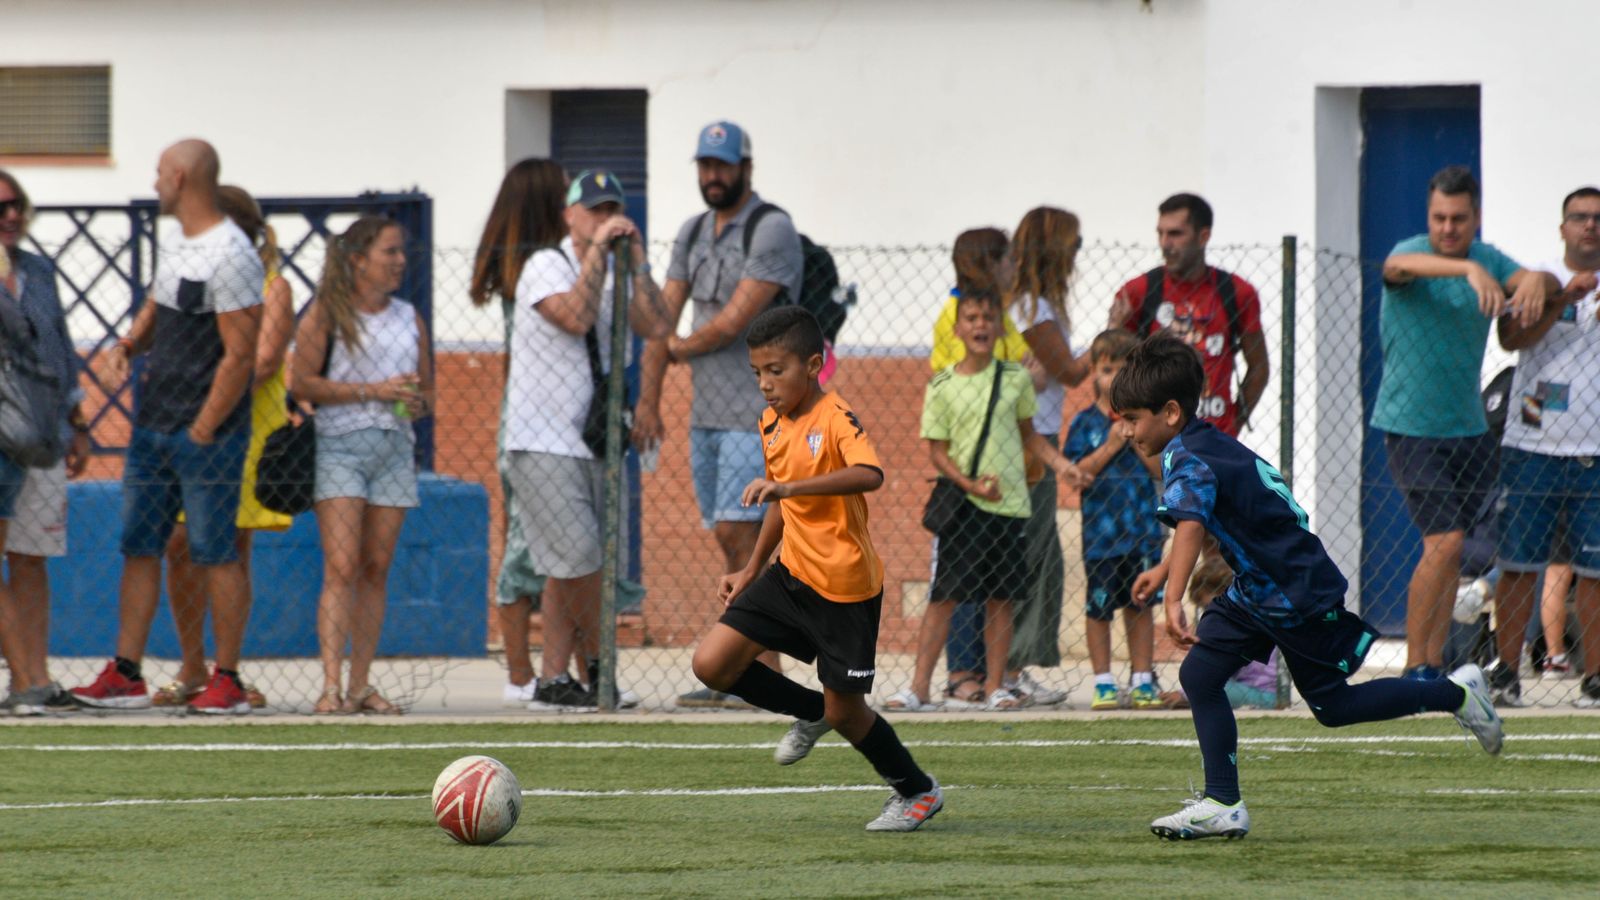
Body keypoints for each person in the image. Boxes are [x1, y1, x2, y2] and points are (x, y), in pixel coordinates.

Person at [1115, 335, 1501, 841]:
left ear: (1168, 412)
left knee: (1333, 707)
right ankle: (1222, 803)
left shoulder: (1186, 457)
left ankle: (1455, 693)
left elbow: (1190, 525)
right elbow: (1202, 518)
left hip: (1290, 589)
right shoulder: (1204, 441)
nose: (1124, 431)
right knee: (1202, 675)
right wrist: (1166, 571)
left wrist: (1172, 597)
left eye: (1131, 418)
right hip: (1263, 586)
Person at [690, 306, 944, 832]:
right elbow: (781, 505)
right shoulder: (771, 423)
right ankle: (811, 711)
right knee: (712, 664)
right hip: (789, 576)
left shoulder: (835, 417)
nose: (765, 384)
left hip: (845, 588)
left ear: (813, 364)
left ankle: (916, 792)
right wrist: (751, 568)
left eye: (775, 370)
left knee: (850, 714)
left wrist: (788, 487)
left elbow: (869, 473)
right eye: (757, 372)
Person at [72, 139, 263, 714]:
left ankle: (225, 679)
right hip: (154, 426)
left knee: (215, 551)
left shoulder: (232, 253)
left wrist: (204, 426)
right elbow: (161, 305)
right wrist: (129, 345)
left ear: (180, 177)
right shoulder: (178, 241)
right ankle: (126, 672)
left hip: (205, 434)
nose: (154, 182)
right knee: (140, 547)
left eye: (159, 173)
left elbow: (240, 353)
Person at [635, 121, 803, 709]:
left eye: (723, 165)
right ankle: (749, 674)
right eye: (705, 165)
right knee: (730, 539)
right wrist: (648, 398)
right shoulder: (691, 231)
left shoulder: (771, 229)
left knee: (743, 536)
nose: (713, 176)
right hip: (706, 414)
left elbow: (736, 322)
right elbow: (662, 313)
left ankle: (755, 675)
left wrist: (674, 347)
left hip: (758, 414)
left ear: (745, 168)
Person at [1374, 166, 1557, 681]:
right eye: (1439, 218)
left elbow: (1529, 280)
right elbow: (1396, 265)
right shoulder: (1412, 254)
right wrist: (1466, 272)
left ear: (1475, 218)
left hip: (1469, 427)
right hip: (1412, 425)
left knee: (1456, 553)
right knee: (1446, 541)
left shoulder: (1489, 256)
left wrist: (1537, 284)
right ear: (1428, 217)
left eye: (1458, 219)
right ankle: (1415, 666)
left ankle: (1435, 662)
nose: (1448, 228)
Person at [501, 170, 668, 711]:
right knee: (581, 557)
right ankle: (598, 669)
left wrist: (637, 260)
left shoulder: (619, 271)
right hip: (541, 440)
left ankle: (553, 681)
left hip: (591, 442)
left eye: (611, 210)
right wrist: (598, 250)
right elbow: (573, 316)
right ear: (569, 214)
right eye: (593, 210)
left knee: (564, 565)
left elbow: (659, 325)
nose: (604, 219)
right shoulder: (544, 265)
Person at [892, 290, 1085, 712]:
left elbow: (1030, 435)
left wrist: (1061, 464)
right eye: (972, 318)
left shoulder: (1015, 380)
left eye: (988, 318)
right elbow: (937, 451)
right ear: (958, 328)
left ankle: (996, 685)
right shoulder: (942, 384)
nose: (980, 325)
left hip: (1010, 505)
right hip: (965, 508)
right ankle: (919, 687)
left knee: (1002, 598)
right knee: (944, 596)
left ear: (999, 327)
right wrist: (970, 484)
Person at [155, 185, 293, 710]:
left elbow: (261, 363)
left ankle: (227, 672)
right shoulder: (192, 282)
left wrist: (205, 402)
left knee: (229, 550)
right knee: (179, 545)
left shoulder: (272, 287)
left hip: (240, 431)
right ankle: (193, 666)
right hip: (194, 425)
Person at [291, 216, 433, 715]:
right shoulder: (327, 314)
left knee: (376, 569)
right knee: (342, 566)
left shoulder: (408, 316)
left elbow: (429, 391)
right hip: (339, 445)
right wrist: (372, 391)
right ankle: (330, 684)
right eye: (388, 253)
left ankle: (360, 684)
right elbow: (301, 382)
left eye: (400, 253)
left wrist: (416, 402)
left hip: (394, 446)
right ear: (357, 260)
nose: (398, 262)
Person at [1490, 185, 1600, 708]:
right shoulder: (1538, 277)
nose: (1589, 226)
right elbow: (1511, 340)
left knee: (1596, 572)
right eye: (1579, 217)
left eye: (1598, 218)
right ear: (1562, 227)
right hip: (1531, 445)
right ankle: (1505, 673)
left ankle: (1595, 680)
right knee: (1518, 565)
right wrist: (1563, 299)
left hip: (1595, 449)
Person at [926, 227, 1036, 708]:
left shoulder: (1001, 313)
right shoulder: (955, 313)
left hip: (1006, 470)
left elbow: (1019, 367)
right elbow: (964, 372)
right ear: (986, 263)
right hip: (972, 473)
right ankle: (959, 673)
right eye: (1007, 259)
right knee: (957, 584)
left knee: (997, 586)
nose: (1014, 267)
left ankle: (992, 676)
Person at [469, 158, 564, 707]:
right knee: (529, 544)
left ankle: (528, 670)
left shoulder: (519, 271)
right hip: (536, 418)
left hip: (524, 413)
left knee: (537, 540)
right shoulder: (540, 271)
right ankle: (520, 673)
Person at [0, 168, 91, 716]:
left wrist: (79, 422)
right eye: (0, 207)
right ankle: (27, 680)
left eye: (18, 205)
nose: (12, 216)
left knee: (31, 558)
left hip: (42, 431)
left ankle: (34, 676)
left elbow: (60, 347)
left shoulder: (38, 270)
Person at [998, 206, 1091, 705]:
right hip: (1031, 441)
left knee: (1036, 553)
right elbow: (1073, 373)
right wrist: (1109, 339)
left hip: (1037, 436)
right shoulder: (1032, 309)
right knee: (1034, 554)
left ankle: (1010, 668)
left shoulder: (1031, 306)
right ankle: (1009, 668)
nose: (1077, 257)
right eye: (1072, 247)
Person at [1109, 192, 1269, 437]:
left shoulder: (1237, 292)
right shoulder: (1139, 291)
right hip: (1155, 444)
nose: (1165, 243)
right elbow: (1112, 363)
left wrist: (1232, 423)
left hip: (1213, 437)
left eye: (1175, 234)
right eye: (1160, 233)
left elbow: (1259, 366)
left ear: (1203, 236)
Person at [1064, 329, 1165, 711]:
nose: (1115, 378)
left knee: (1140, 606)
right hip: (1102, 537)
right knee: (1099, 607)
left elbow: (1160, 469)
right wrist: (1110, 444)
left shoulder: (1148, 421)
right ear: (1093, 372)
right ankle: (1104, 681)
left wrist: (1136, 439)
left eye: (1124, 370)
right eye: (1107, 369)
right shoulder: (1084, 424)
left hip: (1141, 533)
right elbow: (1078, 475)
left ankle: (1142, 678)